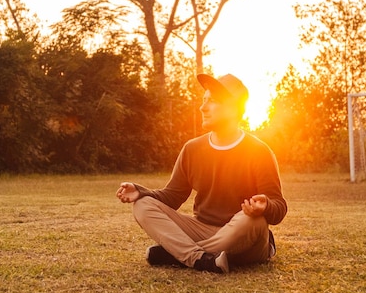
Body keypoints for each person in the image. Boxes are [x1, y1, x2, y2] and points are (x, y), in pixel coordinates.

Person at [116, 73, 287, 273]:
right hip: (201, 230)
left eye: (212, 101)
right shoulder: (192, 149)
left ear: (233, 108)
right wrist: (141, 192)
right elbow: (173, 196)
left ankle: (178, 255)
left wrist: (265, 206)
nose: (203, 107)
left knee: (253, 220)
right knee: (142, 205)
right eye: (204, 100)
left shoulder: (259, 151)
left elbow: (279, 207)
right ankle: (200, 259)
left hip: (244, 235)